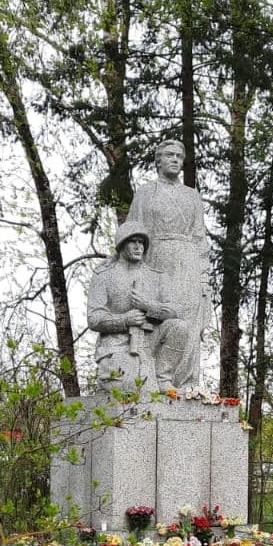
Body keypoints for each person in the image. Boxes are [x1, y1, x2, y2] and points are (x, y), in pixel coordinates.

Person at [127, 139, 210, 389]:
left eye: (179, 156)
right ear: (158, 161)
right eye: (169, 155)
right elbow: (132, 231)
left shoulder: (191, 195)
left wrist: (204, 276)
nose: (175, 160)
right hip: (157, 258)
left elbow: (200, 237)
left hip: (189, 262)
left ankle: (187, 383)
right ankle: (155, 378)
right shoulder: (145, 193)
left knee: (189, 323)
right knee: (159, 317)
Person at [86, 221, 167, 390]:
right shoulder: (104, 275)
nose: (138, 247)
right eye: (133, 241)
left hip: (151, 342)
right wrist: (124, 320)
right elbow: (94, 319)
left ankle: (165, 379)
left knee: (178, 327)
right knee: (131, 387)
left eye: (141, 242)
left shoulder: (155, 276)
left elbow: (174, 310)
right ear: (122, 244)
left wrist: (149, 306)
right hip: (115, 346)